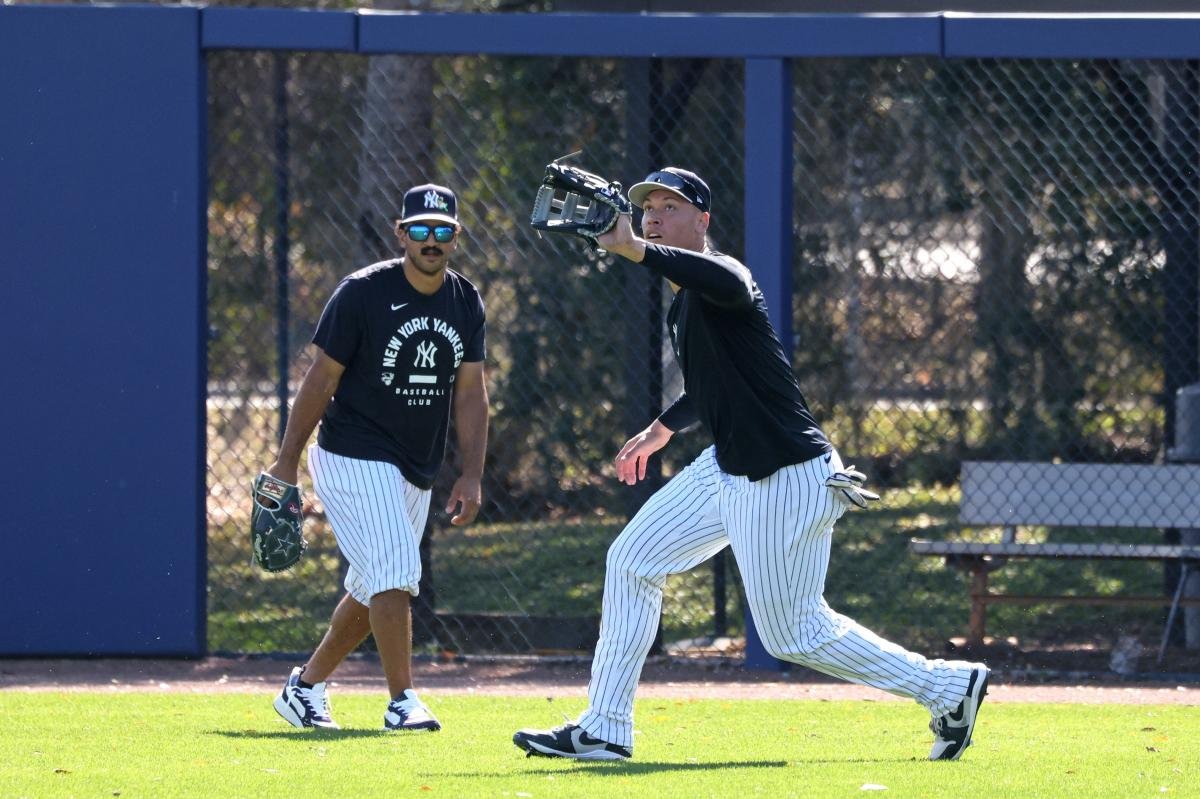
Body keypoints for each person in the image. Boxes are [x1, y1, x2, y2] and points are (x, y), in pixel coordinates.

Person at [513, 167, 987, 762]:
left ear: (703, 220)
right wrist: (663, 428)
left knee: (795, 633)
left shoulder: (727, 278)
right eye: (648, 206)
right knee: (631, 561)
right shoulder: (681, 304)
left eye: (671, 205)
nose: (655, 213)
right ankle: (605, 726)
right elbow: (712, 385)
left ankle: (946, 686)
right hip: (727, 468)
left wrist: (635, 248)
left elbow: (721, 276)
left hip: (786, 475)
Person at [263, 183, 488, 733]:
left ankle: (305, 688)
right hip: (351, 452)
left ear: (455, 237)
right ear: (401, 234)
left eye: (441, 231)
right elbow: (322, 378)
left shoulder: (464, 300)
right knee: (395, 572)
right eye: (420, 230)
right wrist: (286, 461)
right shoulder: (361, 293)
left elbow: (470, 392)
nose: (430, 240)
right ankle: (402, 701)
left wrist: (473, 474)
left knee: (372, 588)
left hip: (417, 465)